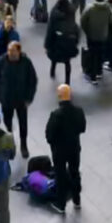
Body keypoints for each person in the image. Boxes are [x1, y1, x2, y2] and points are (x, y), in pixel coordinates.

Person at [0, 41, 38, 159]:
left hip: (21, 99)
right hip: (6, 99)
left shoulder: (26, 62)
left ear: (19, 51)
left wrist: (29, 98)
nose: (10, 53)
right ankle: (10, 141)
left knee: (23, 124)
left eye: (13, 51)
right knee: (7, 121)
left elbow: (33, 80)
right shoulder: (1, 61)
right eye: (9, 51)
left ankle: (23, 145)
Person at [45, 84, 86, 213]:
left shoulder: (56, 115)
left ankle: (61, 204)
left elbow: (49, 135)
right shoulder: (79, 111)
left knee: (60, 175)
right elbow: (82, 128)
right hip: (74, 148)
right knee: (75, 173)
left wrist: (53, 143)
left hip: (59, 151)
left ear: (59, 97)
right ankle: (77, 200)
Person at [80, 0, 112, 83]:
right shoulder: (108, 8)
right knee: (100, 52)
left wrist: (87, 30)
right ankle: (99, 71)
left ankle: (92, 75)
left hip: (91, 34)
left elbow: (83, 20)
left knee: (92, 53)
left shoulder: (90, 8)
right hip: (103, 34)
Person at [46, 0, 80, 85]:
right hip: (68, 42)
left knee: (54, 59)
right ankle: (67, 81)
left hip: (56, 43)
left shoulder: (54, 15)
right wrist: (76, 41)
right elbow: (75, 27)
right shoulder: (71, 13)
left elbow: (50, 31)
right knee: (67, 62)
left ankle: (52, 71)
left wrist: (47, 45)